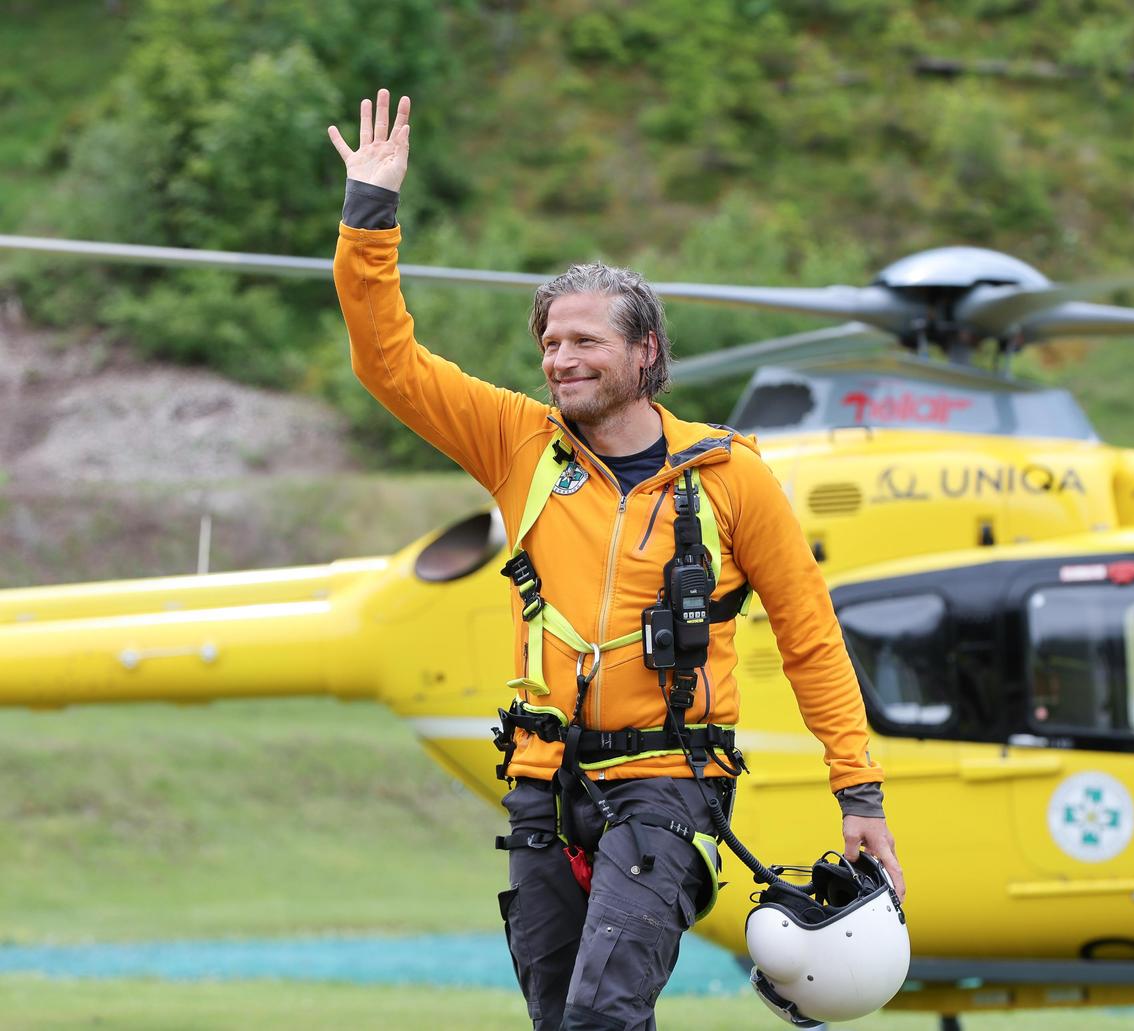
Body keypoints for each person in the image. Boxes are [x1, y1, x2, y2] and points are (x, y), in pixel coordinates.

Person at [329, 89, 902, 1031]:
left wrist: (860, 790)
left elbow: (810, 637)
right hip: (543, 786)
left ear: (646, 353)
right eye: (550, 342)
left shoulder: (730, 478)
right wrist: (371, 212)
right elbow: (386, 360)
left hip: (671, 782)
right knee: (561, 1018)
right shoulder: (519, 445)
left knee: (602, 1014)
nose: (560, 359)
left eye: (585, 339)